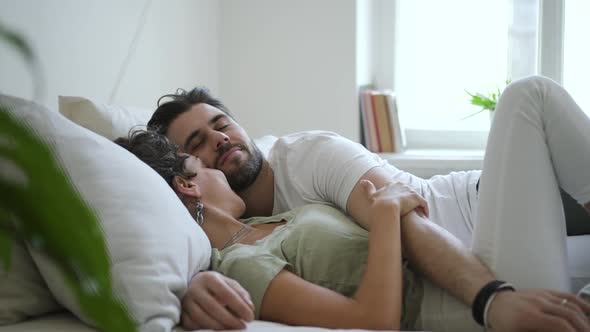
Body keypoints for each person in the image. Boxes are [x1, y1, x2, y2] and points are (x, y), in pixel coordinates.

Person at [146, 76, 590, 331]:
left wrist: (493, 300)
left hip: (480, 209)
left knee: (529, 97)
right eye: (197, 144)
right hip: (486, 259)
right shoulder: (234, 230)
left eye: (223, 124)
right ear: (186, 179)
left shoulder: (307, 155)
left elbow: (408, 225)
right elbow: (190, 254)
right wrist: (189, 293)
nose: (220, 139)